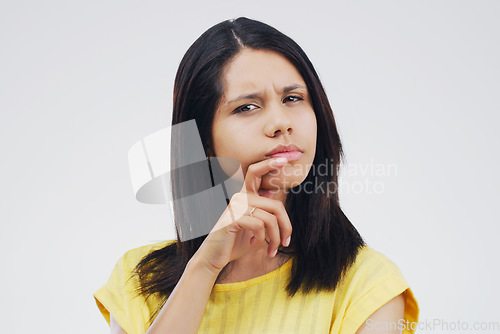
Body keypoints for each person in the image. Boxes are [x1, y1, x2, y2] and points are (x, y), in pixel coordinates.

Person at [93, 17, 419, 334]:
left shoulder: (368, 286)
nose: (280, 122)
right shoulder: (137, 282)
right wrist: (204, 267)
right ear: (203, 141)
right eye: (247, 107)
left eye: (293, 98)